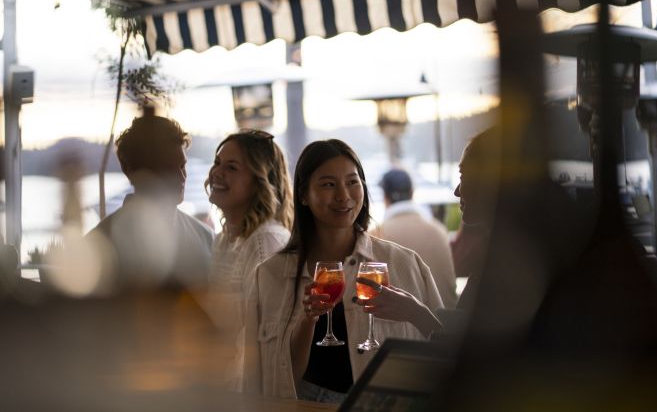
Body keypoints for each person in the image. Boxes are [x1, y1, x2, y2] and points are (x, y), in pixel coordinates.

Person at [243, 139, 443, 402]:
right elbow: (269, 381)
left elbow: (446, 355)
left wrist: (415, 311)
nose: (343, 195)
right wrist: (308, 320)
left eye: (352, 182)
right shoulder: (269, 276)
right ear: (303, 194)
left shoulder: (405, 265)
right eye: (328, 184)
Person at [84, 113, 213, 291]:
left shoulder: (206, 238)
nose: (181, 177)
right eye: (168, 167)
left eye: (182, 166)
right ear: (131, 172)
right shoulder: (98, 246)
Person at [205, 129, 293, 388]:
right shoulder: (224, 240)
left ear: (259, 181)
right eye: (217, 163)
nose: (216, 173)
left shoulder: (266, 242)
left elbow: (265, 344)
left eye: (231, 167)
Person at [372, 168, 457, 308]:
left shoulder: (375, 236)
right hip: (446, 322)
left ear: (385, 197)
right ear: (412, 192)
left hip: (405, 327)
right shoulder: (439, 231)